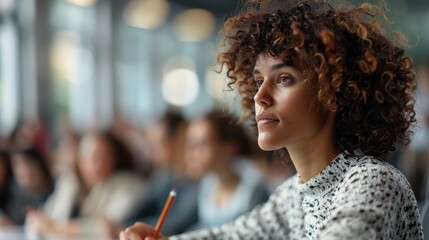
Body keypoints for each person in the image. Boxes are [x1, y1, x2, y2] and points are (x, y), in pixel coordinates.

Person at [120, 0, 424, 239]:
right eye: (257, 81)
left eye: (284, 79)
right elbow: (230, 236)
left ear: (333, 91)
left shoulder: (372, 181)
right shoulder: (294, 193)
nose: (259, 96)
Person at [184, 111, 268, 230]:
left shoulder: (255, 192)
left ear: (229, 147)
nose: (190, 153)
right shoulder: (206, 184)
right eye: (190, 143)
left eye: (201, 144)